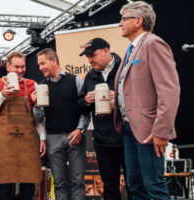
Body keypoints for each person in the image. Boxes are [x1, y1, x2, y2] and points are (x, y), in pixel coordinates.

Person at [115, 2, 180, 199]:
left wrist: (161, 130)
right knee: (135, 186)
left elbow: (169, 90)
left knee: (154, 186)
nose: (120, 24)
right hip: (129, 128)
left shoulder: (153, 43)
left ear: (138, 21)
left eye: (124, 19)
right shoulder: (130, 49)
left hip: (149, 130)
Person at [0, 51, 44, 200]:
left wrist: (42, 138)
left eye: (22, 67)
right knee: (3, 186)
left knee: (28, 185)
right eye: (16, 67)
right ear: (8, 67)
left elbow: (39, 117)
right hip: (5, 145)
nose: (20, 70)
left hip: (27, 145)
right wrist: (3, 95)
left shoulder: (33, 85)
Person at [35, 48, 90, 200]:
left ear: (54, 61)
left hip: (75, 136)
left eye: (43, 63)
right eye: (39, 65)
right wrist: (37, 105)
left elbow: (85, 108)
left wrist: (80, 130)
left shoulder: (75, 80)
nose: (40, 68)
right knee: (59, 183)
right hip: (53, 138)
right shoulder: (41, 86)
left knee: (77, 181)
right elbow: (39, 119)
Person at [77, 38, 126, 200]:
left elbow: (138, 98)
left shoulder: (124, 68)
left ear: (106, 51)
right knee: (109, 186)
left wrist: (118, 100)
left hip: (126, 137)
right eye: (87, 57)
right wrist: (86, 101)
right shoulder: (90, 76)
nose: (90, 60)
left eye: (93, 55)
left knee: (134, 184)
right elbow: (81, 107)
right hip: (102, 139)